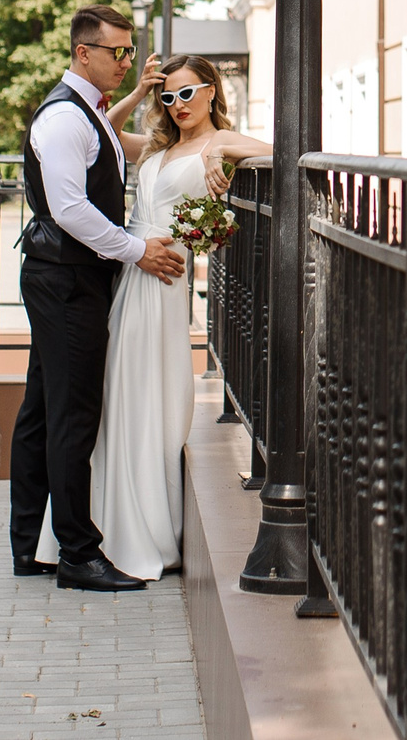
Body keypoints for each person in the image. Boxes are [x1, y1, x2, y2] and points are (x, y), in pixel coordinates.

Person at [35, 53, 266, 580]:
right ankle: (103, 528)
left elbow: (279, 151)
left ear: (211, 90)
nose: (178, 105)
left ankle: (142, 530)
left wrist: (223, 152)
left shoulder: (217, 143)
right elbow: (103, 128)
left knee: (154, 394)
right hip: (130, 266)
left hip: (162, 276)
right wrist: (139, 94)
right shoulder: (159, 147)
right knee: (117, 391)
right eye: (170, 96)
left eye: (187, 93)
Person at [9, 4, 190, 593]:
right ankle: (78, 556)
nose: (126, 60)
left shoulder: (86, 112)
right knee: (73, 416)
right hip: (66, 281)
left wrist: (136, 94)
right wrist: (135, 250)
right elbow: (69, 210)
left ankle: (28, 545)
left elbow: (105, 137)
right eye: (117, 52)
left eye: (130, 51)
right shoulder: (63, 120)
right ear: (83, 53)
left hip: (66, 277)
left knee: (42, 410)